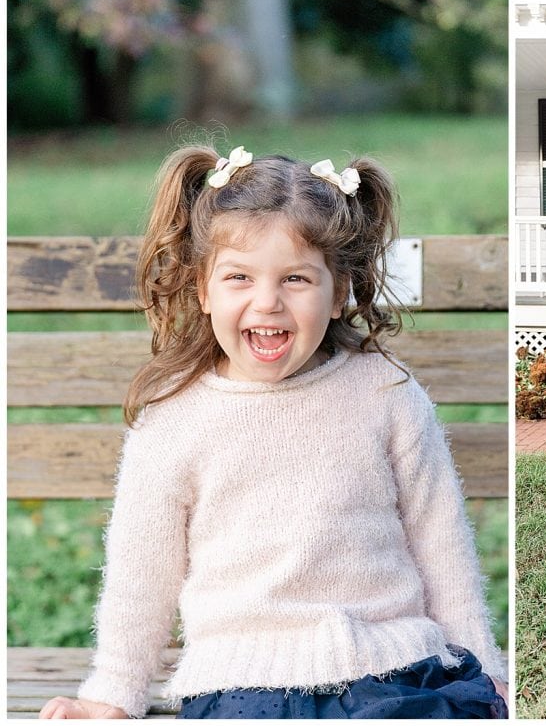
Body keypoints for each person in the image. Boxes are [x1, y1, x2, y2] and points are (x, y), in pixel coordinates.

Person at [39, 145, 508, 720]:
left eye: (295, 278)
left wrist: (486, 669)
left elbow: (442, 545)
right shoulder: (175, 418)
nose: (268, 302)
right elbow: (144, 568)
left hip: (394, 669)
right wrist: (112, 692)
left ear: (338, 293)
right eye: (239, 277)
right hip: (242, 684)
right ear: (204, 290)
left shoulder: (386, 394)